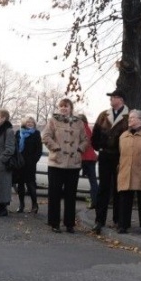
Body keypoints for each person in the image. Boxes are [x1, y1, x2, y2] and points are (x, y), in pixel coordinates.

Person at [42, 99, 87, 232]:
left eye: (66, 106)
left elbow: (85, 139)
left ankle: (69, 224)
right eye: (61, 106)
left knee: (71, 194)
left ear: (71, 108)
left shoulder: (79, 123)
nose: (63, 108)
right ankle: (54, 223)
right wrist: (55, 147)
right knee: (54, 194)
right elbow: (45, 136)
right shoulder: (53, 121)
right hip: (56, 162)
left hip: (73, 164)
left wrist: (79, 149)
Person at [91, 89, 129, 234]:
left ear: (121, 99)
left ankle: (118, 220)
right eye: (111, 97)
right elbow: (95, 134)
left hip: (120, 156)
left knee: (119, 189)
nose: (111, 100)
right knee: (103, 188)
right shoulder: (103, 115)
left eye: (113, 97)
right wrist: (98, 147)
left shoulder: (128, 116)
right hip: (105, 155)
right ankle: (99, 220)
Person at [15, 115, 42, 214]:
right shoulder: (19, 133)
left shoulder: (36, 133)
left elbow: (39, 150)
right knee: (20, 185)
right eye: (27, 122)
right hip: (20, 163)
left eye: (31, 122)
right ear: (24, 123)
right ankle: (21, 205)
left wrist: (34, 160)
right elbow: (15, 147)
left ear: (34, 124)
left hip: (30, 163)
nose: (29, 123)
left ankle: (34, 204)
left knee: (30, 184)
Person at [77, 113, 99, 210]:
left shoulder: (78, 129)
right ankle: (95, 201)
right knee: (93, 181)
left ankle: (69, 197)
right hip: (91, 158)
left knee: (73, 179)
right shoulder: (88, 129)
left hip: (82, 157)